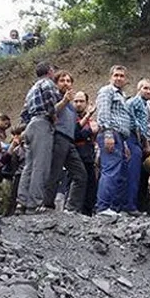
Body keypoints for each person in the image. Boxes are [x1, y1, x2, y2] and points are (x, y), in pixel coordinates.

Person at [16, 61, 62, 214]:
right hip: (42, 124)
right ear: (50, 70)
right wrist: (53, 115)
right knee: (40, 166)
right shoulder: (48, 84)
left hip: (31, 125)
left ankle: (21, 202)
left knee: (28, 166)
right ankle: (34, 204)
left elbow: (24, 112)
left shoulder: (32, 89)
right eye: (53, 70)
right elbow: (51, 100)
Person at [94, 65, 133, 215]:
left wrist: (124, 143)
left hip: (120, 137)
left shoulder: (122, 95)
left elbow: (121, 119)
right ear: (110, 77)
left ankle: (113, 208)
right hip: (110, 134)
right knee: (110, 170)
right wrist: (108, 134)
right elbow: (103, 113)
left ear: (125, 79)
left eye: (122, 76)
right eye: (116, 75)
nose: (119, 78)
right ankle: (103, 207)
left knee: (120, 174)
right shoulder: (107, 91)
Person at [46, 71, 87, 213]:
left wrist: (88, 116)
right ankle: (47, 205)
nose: (66, 83)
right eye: (62, 80)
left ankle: (72, 209)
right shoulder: (55, 97)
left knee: (81, 174)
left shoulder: (71, 105)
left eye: (69, 81)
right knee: (55, 172)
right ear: (56, 83)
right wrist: (63, 101)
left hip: (70, 141)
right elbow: (50, 112)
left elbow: (74, 127)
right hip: (58, 137)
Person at [125, 78, 150, 214]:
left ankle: (132, 205)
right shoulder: (134, 102)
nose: (148, 91)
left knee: (136, 174)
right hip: (132, 138)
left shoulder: (144, 105)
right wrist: (146, 143)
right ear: (139, 89)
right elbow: (135, 124)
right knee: (133, 173)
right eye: (145, 88)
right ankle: (129, 206)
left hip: (137, 140)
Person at [72, 91, 98, 216]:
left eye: (81, 101)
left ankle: (87, 213)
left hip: (88, 155)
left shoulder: (90, 120)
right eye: (76, 101)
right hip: (75, 155)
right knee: (77, 182)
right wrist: (88, 130)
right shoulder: (71, 117)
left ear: (86, 103)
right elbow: (76, 135)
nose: (78, 104)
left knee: (91, 185)